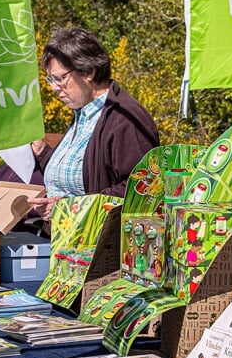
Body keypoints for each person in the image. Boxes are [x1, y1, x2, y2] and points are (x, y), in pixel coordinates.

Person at [28, 27, 160, 221]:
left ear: (88, 72)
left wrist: (69, 208)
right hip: (65, 238)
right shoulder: (85, 112)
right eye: (51, 79)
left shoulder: (125, 119)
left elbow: (142, 189)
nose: (54, 88)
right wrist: (44, 153)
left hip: (101, 245)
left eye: (60, 79)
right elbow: (84, 173)